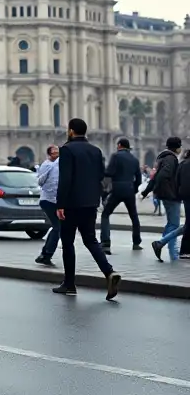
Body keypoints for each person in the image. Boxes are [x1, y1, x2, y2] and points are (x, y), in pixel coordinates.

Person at [53, 118, 121, 299]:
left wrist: (60, 204)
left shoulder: (67, 150)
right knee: (91, 240)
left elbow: (65, 179)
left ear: (71, 131)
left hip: (71, 204)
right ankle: (109, 272)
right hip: (91, 203)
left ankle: (69, 283)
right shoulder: (96, 150)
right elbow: (100, 175)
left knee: (67, 243)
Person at [100, 137, 143, 253]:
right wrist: (133, 189)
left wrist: (101, 170)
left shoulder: (116, 156)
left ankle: (105, 242)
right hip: (129, 189)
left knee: (106, 214)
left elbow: (109, 172)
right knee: (134, 216)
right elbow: (139, 179)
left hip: (117, 188)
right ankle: (136, 242)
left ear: (119, 145)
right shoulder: (134, 159)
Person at [143, 138, 182, 261]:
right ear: (177, 147)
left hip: (166, 196)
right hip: (171, 197)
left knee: (171, 224)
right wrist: (171, 193)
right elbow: (162, 177)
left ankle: (163, 245)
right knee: (174, 225)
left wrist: (146, 191)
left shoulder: (162, 158)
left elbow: (155, 178)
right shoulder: (171, 159)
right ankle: (170, 250)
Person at [34, 145, 60, 266]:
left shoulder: (59, 164)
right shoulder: (46, 165)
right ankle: (46, 254)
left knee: (58, 228)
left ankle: (45, 254)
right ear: (49, 154)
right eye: (54, 153)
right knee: (58, 227)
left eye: (58, 152)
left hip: (56, 201)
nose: (56, 154)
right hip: (47, 201)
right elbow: (39, 181)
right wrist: (48, 171)